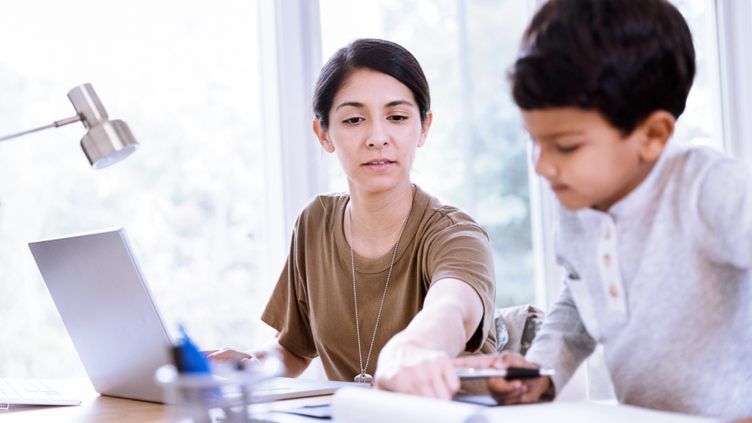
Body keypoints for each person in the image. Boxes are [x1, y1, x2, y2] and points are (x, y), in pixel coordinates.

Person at [454, 0, 752, 420]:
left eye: (566, 146)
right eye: (534, 141)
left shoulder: (709, 188)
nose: (541, 165)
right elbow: (580, 303)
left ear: (652, 134)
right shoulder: (578, 203)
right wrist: (538, 370)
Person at [208, 38, 497, 400]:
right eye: (354, 119)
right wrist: (251, 365)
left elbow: (452, 311)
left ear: (423, 128)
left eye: (397, 117)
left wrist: (413, 347)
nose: (378, 138)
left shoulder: (457, 236)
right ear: (324, 133)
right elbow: (295, 349)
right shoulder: (314, 222)